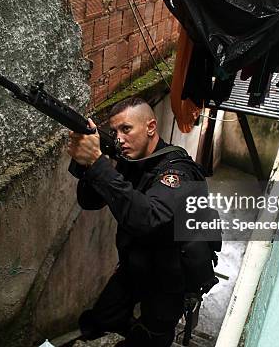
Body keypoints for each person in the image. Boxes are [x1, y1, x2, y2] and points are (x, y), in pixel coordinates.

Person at [67, 98, 219, 347]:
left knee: (152, 336)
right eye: (115, 132)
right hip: (136, 263)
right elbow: (90, 201)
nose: (119, 139)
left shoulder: (177, 172)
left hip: (170, 277)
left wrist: (98, 163)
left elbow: (147, 218)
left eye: (126, 129)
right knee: (100, 320)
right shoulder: (132, 161)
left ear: (150, 127)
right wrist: (87, 166)